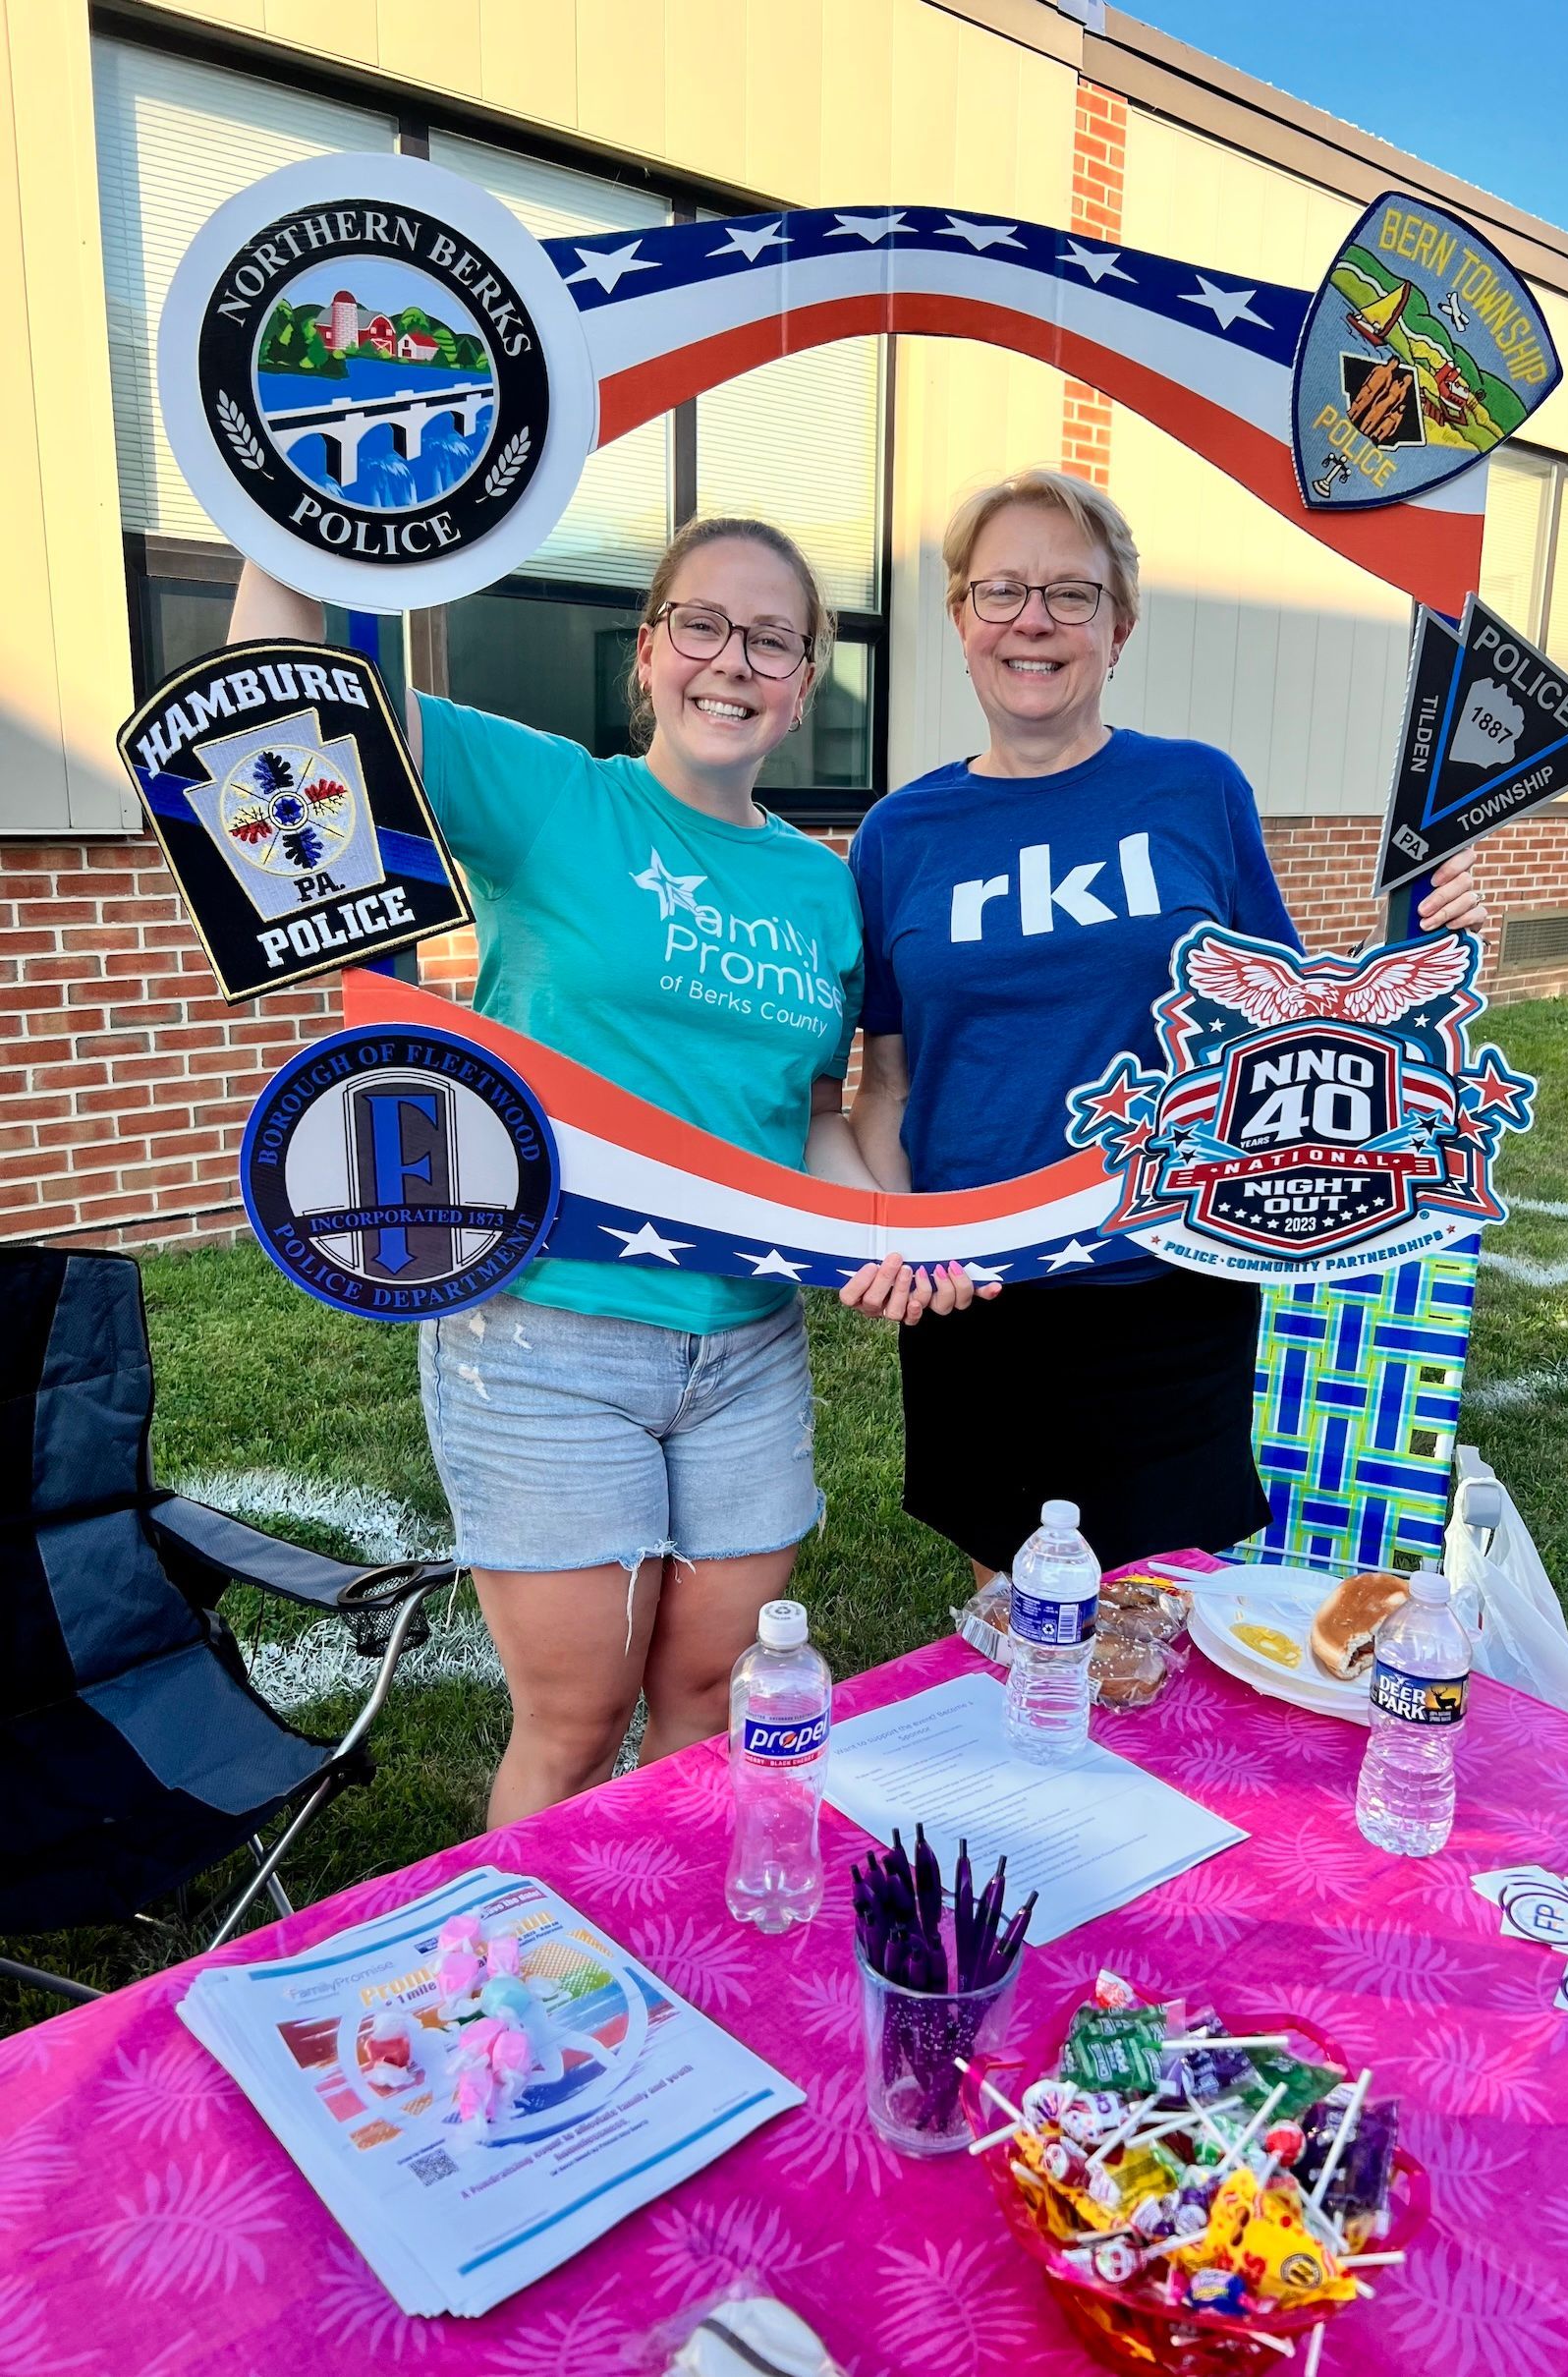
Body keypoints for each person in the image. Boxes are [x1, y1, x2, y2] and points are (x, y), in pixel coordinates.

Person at [228, 521, 975, 1823]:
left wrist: (883, 1224)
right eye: (701, 624)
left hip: (746, 1344)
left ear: (804, 679)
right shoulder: (552, 797)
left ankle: (673, 1944)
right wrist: (289, 515)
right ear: (647, 650)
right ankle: (530, 1988)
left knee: (707, 1695)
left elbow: (806, 1108)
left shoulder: (822, 887)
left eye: (771, 639)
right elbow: (285, 703)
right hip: (542, 1335)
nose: (730, 661)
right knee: (574, 1724)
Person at [843, 469, 1487, 1580]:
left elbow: (1291, 1035)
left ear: (1119, 624)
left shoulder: (1195, 790)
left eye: (1071, 593)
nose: (1031, 620)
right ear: (958, 619)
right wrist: (903, 1232)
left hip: (1167, 1273)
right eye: (998, 591)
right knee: (1014, 1609)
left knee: (1154, 1618)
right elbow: (887, 1081)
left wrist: (1443, 950)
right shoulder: (898, 834)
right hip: (978, 1291)